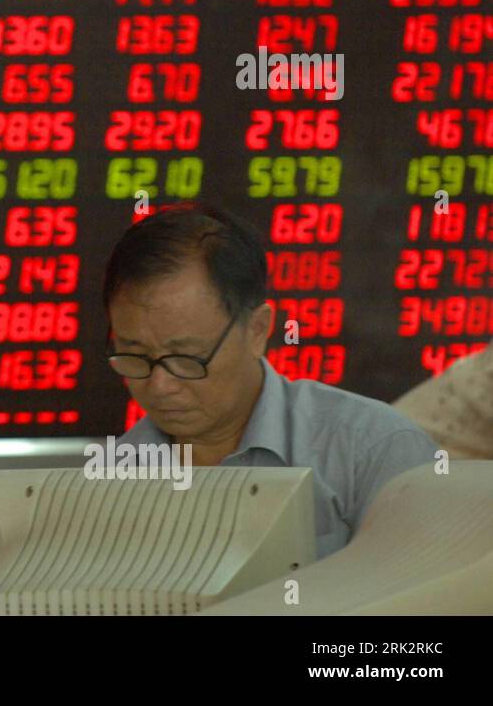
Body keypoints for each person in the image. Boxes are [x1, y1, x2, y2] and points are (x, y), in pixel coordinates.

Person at [105, 202, 438, 560]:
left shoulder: (372, 450)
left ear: (257, 330)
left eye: (186, 357)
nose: (159, 386)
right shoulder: (108, 477)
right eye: (135, 354)